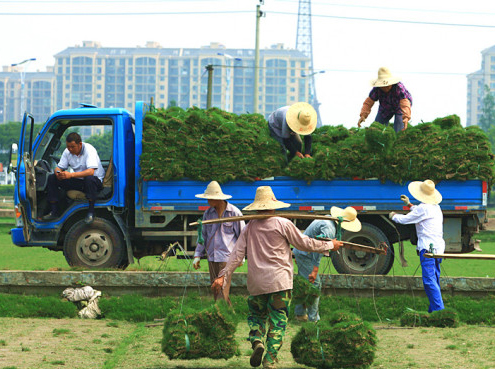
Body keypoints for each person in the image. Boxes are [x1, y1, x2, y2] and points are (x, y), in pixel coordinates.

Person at [211, 186, 343, 369]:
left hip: (257, 284)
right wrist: (329, 244)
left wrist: (222, 276)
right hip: (279, 283)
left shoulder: (249, 228)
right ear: (273, 205)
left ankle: (257, 341)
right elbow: (304, 243)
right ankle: (270, 359)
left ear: (257, 207)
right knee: (278, 322)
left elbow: (235, 256)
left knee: (256, 317)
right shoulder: (283, 224)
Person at [293, 206, 361, 322]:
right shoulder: (329, 229)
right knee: (315, 284)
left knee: (304, 284)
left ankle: (300, 313)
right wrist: (315, 270)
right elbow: (319, 249)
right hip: (306, 254)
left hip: (302, 251)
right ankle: (313, 319)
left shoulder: (328, 219)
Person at [389, 179, 445, 313]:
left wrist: (393, 216)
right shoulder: (435, 207)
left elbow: (405, 219)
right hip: (438, 247)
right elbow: (418, 211)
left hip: (427, 249)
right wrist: (409, 204)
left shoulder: (424, 208)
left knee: (428, 281)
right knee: (434, 279)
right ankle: (434, 310)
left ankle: (439, 311)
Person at [193, 180, 245, 301]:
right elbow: (203, 236)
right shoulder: (208, 214)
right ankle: (225, 315)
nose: (208, 201)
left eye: (210, 198)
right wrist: (197, 255)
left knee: (222, 289)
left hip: (227, 258)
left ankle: (222, 315)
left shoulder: (234, 212)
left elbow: (242, 237)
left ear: (218, 199)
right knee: (216, 290)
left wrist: (241, 257)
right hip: (212, 257)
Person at [42, 132, 105, 224]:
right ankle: (54, 211)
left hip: (94, 182)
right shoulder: (67, 151)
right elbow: (59, 167)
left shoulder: (89, 150)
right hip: (79, 181)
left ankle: (91, 212)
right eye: (68, 147)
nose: (70, 149)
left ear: (79, 144)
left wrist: (70, 175)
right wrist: (59, 173)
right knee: (52, 178)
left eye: (72, 147)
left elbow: (91, 172)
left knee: (89, 178)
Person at [358, 67, 413, 133]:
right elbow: (369, 102)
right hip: (385, 106)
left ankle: (397, 138)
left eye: (387, 85)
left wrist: (406, 117)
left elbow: (405, 103)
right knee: (377, 128)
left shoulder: (398, 87)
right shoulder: (377, 89)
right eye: (382, 85)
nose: (385, 87)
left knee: (399, 129)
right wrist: (363, 115)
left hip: (400, 107)